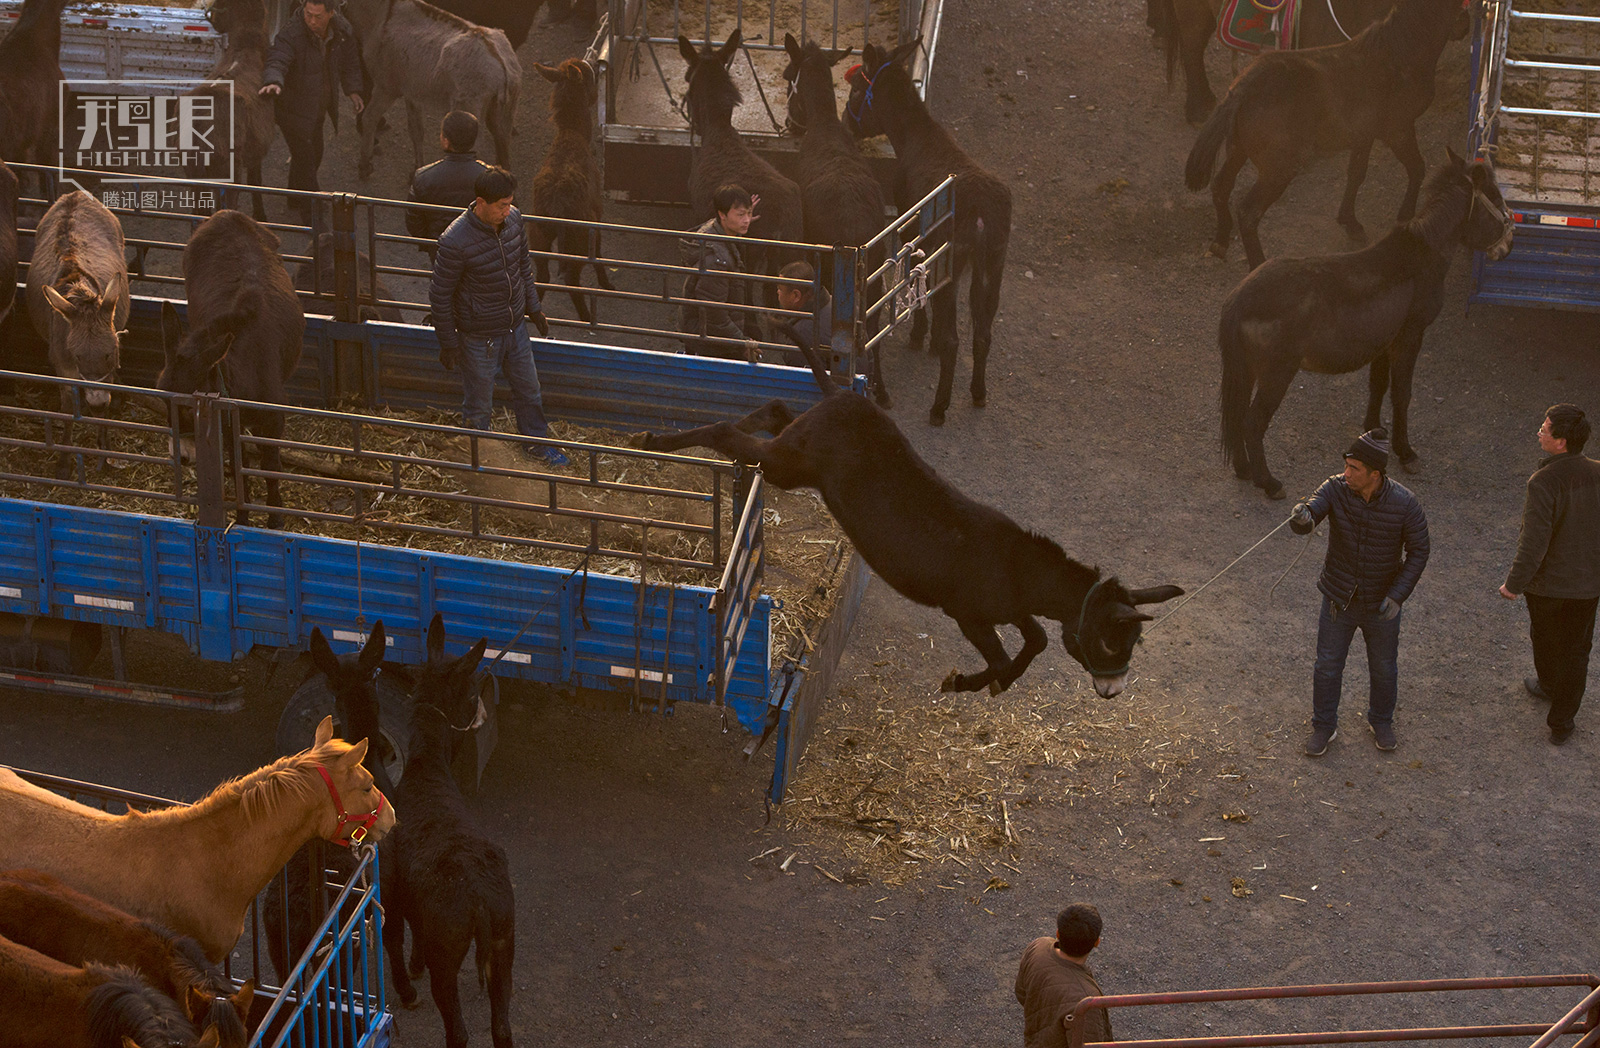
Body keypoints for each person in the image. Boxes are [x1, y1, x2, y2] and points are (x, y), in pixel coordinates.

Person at [1290, 428, 1430, 755]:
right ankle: (1324, 726)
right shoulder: (1335, 488)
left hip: (1382, 604)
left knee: (1383, 667)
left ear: (1375, 474)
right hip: (1339, 599)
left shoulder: (1405, 503)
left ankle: (1381, 720)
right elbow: (1311, 514)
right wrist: (1302, 517)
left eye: (1354, 469)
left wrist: (1397, 596)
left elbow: (1420, 551)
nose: (1346, 473)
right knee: (1326, 665)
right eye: (1346, 465)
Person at [429, 166, 567, 467]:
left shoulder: (514, 221)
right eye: (501, 206)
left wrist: (533, 308)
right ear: (481, 203)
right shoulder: (455, 241)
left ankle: (536, 444)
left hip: (514, 328)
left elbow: (522, 268)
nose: (508, 211)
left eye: (509, 203)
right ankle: (478, 457)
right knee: (479, 403)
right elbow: (440, 294)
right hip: (478, 336)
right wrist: (448, 342)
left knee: (529, 389)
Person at [1499, 404, 1600, 746]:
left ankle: (1548, 685)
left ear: (1561, 442)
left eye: (1544, 429)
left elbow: (1534, 541)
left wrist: (1514, 583)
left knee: (1544, 637)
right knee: (1577, 649)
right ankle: (1562, 721)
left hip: (1548, 587)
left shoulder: (1544, 481)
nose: (1540, 432)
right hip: (1588, 586)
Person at [259, 0, 365, 218]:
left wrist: (353, 90)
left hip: (317, 109)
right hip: (291, 109)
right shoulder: (292, 33)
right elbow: (278, 58)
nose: (311, 21)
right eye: (308, 14)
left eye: (317, 16)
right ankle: (312, 213)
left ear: (331, 13)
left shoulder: (342, 31)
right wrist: (274, 81)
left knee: (313, 154)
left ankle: (294, 197)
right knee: (306, 159)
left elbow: (350, 61)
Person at [680, 184, 762, 362]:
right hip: (709, 342)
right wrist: (742, 343)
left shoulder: (717, 230)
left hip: (712, 335)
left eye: (749, 213)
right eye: (740, 215)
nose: (747, 220)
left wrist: (740, 219)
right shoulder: (715, 260)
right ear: (722, 215)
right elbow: (714, 314)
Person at [1015, 904, 1114, 1048]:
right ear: (1096, 943)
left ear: (1058, 934)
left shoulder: (1038, 948)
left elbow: (1021, 993)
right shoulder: (1087, 1001)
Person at [406, 111, 492, 259]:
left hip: (441, 250)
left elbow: (414, 221)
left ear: (446, 141)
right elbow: (509, 217)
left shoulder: (423, 176)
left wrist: (430, 243)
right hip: (482, 252)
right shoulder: (492, 177)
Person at [770, 260, 833, 369]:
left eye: (780, 289)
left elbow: (803, 380)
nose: (777, 292)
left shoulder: (802, 333)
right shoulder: (835, 304)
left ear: (796, 296)